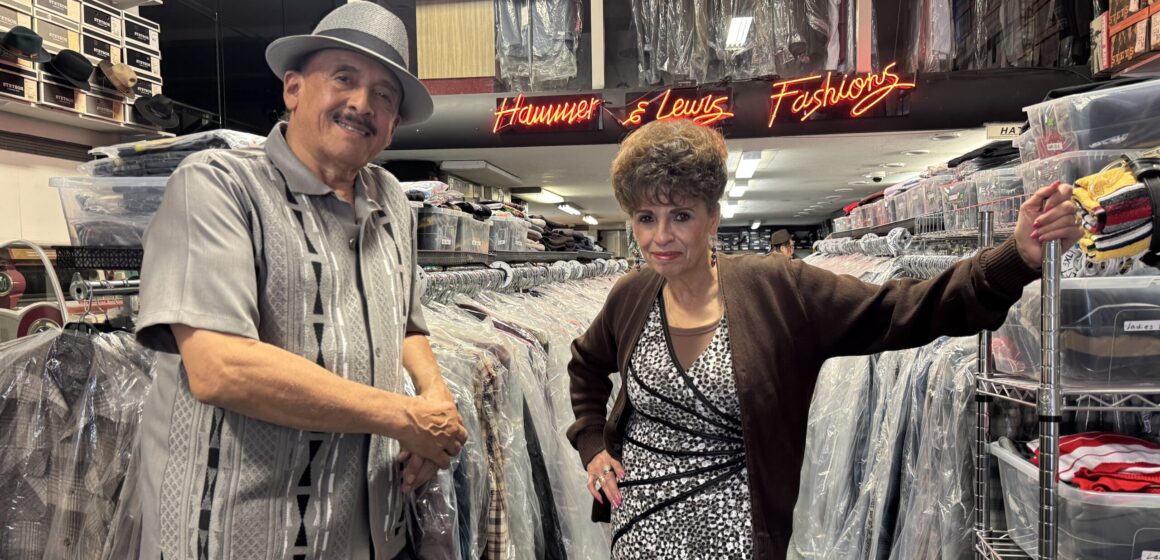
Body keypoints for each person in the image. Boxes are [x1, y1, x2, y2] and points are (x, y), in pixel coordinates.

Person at [566, 119, 1082, 560]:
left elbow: (903, 308)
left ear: (712, 217)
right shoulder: (632, 296)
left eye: (681, 215)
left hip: (737, 530)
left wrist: (1016, 258)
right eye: (646, 218)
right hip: (640, 522)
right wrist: (592, 445)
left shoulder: (776, 290)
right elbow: (586, 365)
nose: (661, 236)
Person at [134, 4, 467, 559]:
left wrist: (437, 400)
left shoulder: (392, 201)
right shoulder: (217, 186)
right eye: (344, 78)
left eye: (385, 95)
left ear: (393, 123)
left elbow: (407, 328)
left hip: (367, 529)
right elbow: (220, 367)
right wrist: (406, 418)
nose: (362, 104)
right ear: (293, 88)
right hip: (243, 534)